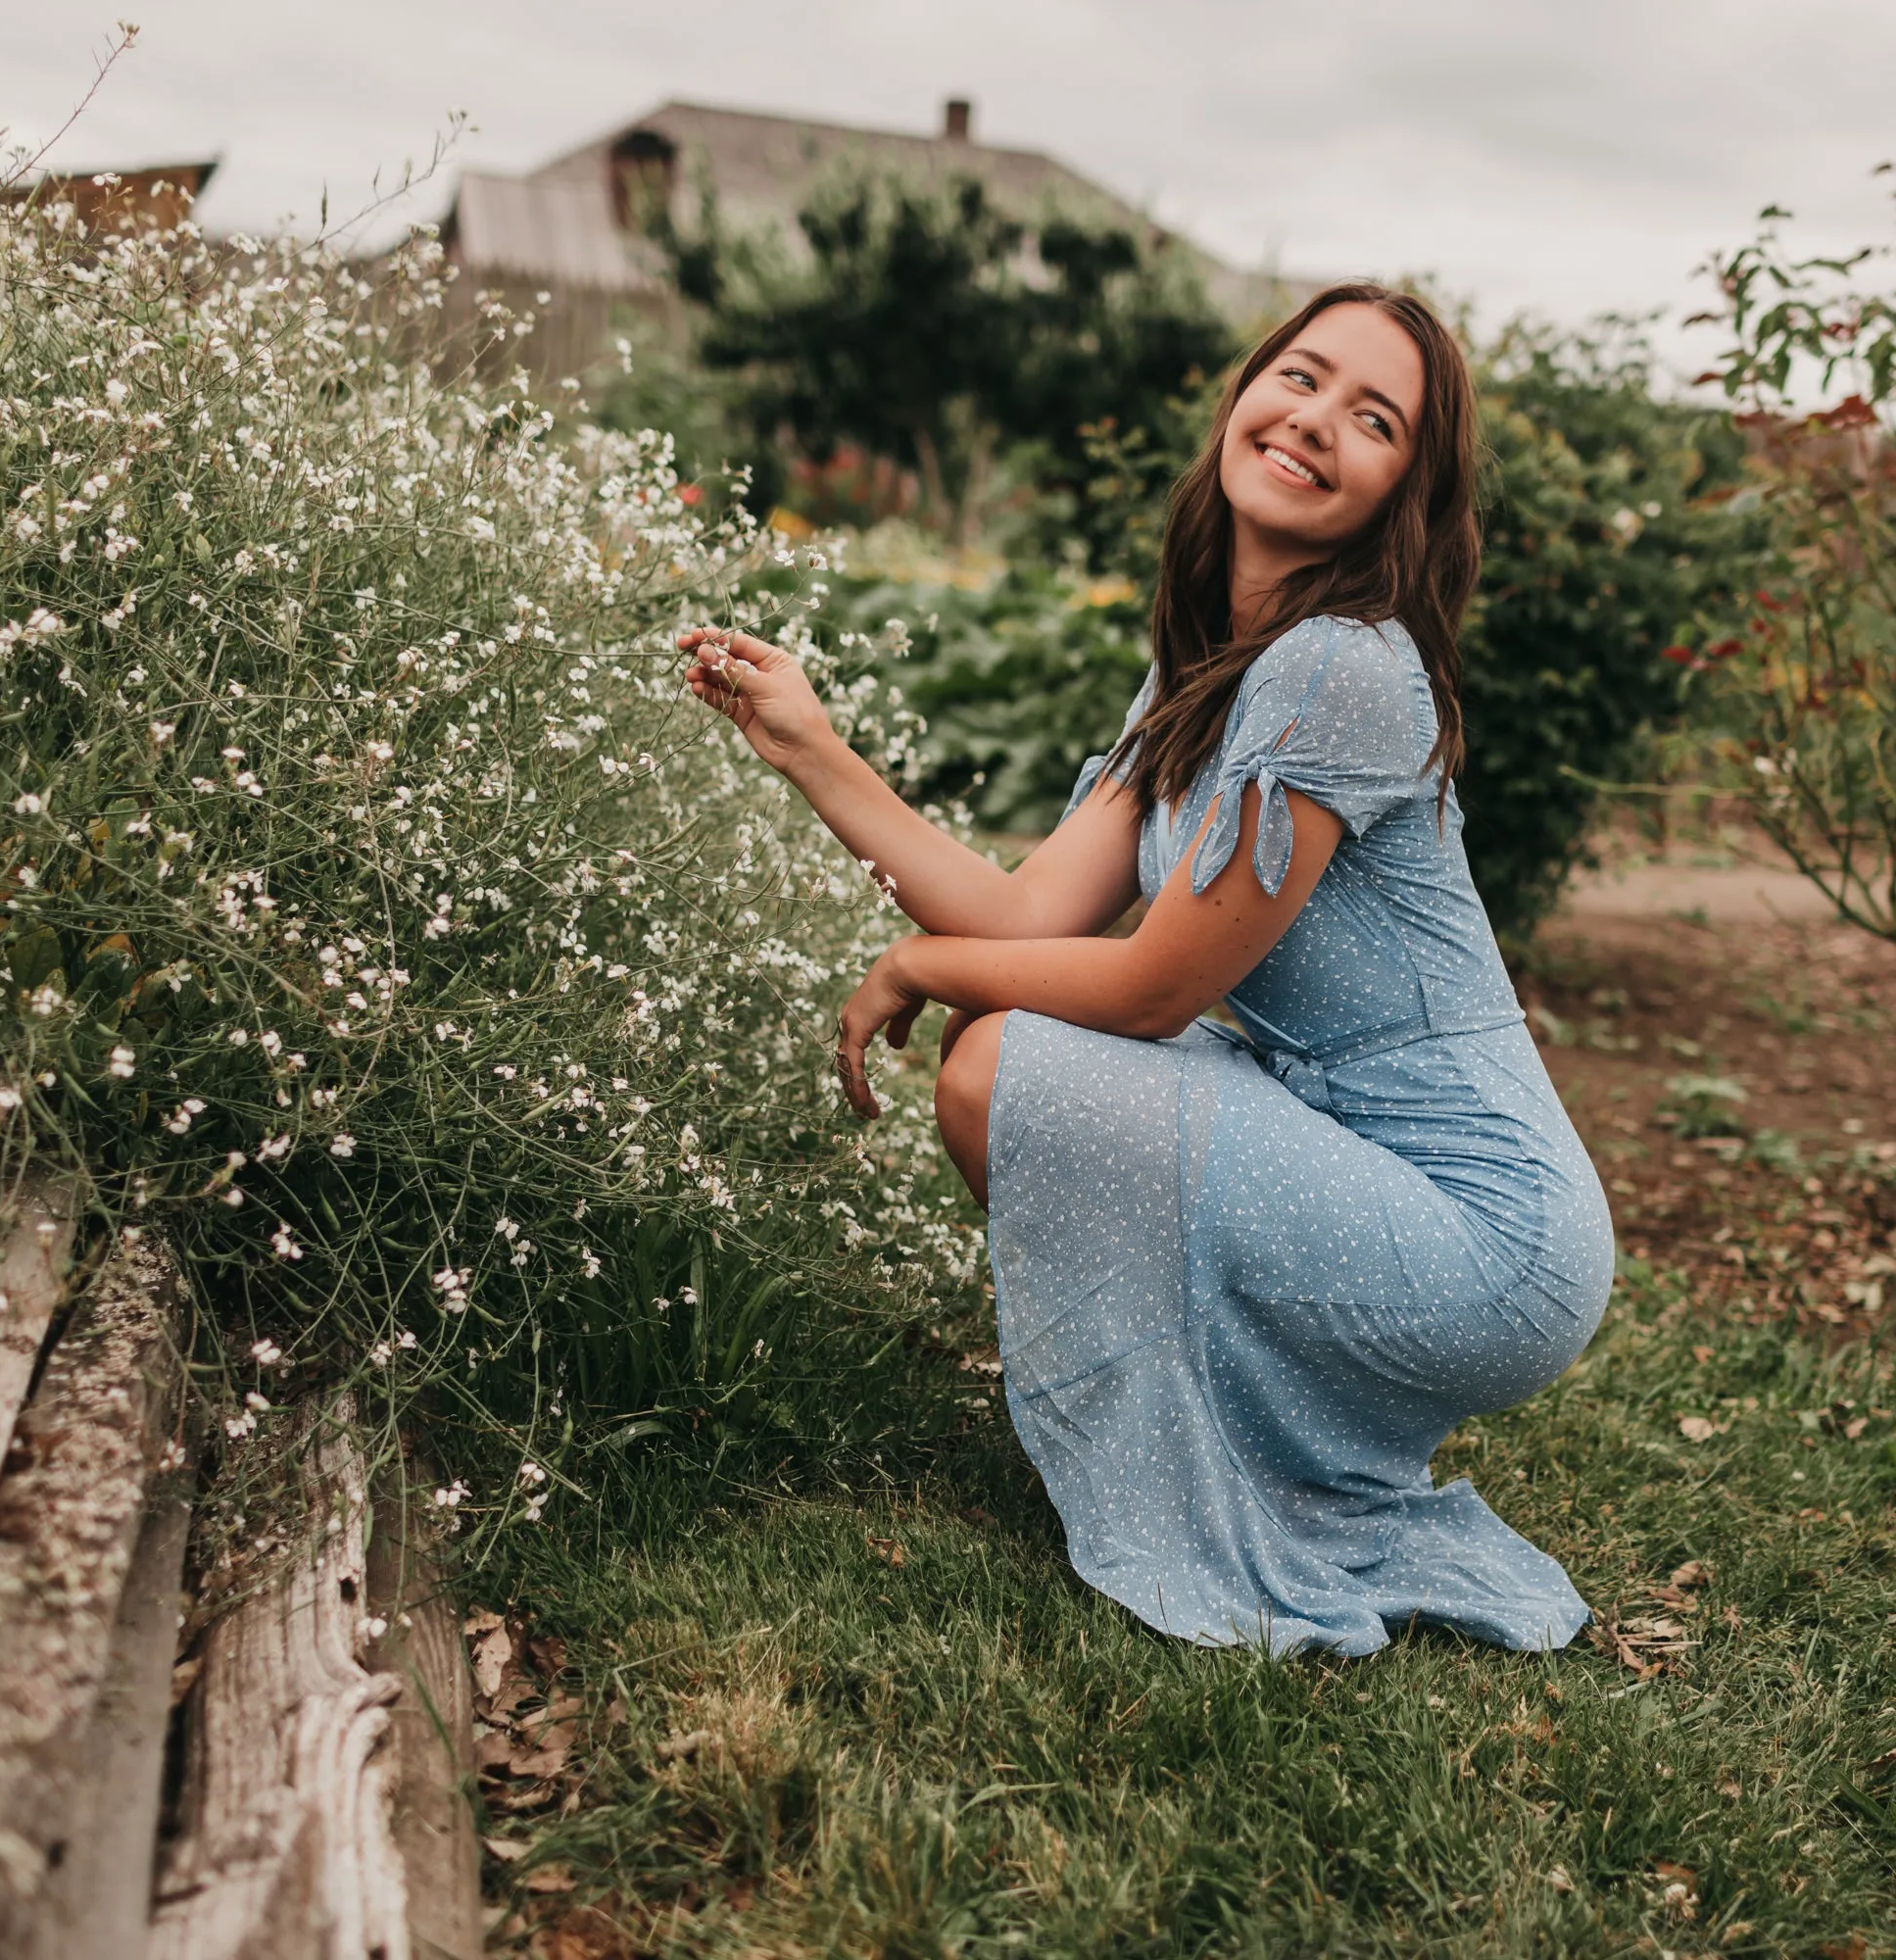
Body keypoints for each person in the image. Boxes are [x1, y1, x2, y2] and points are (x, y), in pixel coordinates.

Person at [679, 282, 1612, 1657]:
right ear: (1246, 393)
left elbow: (1154, 989)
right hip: (1361, 1153)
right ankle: (1212, 1439)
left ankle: (1205, 1457)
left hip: (1488, 1237)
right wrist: (811, 747)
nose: (1314, 422)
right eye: (1300, 376)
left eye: (1375, 419)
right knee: (1005, 1037)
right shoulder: (1210, 668)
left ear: (1405, 493)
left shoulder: (1346, 670)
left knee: (1000, 1059)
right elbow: (1026, 914)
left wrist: (919, 963)